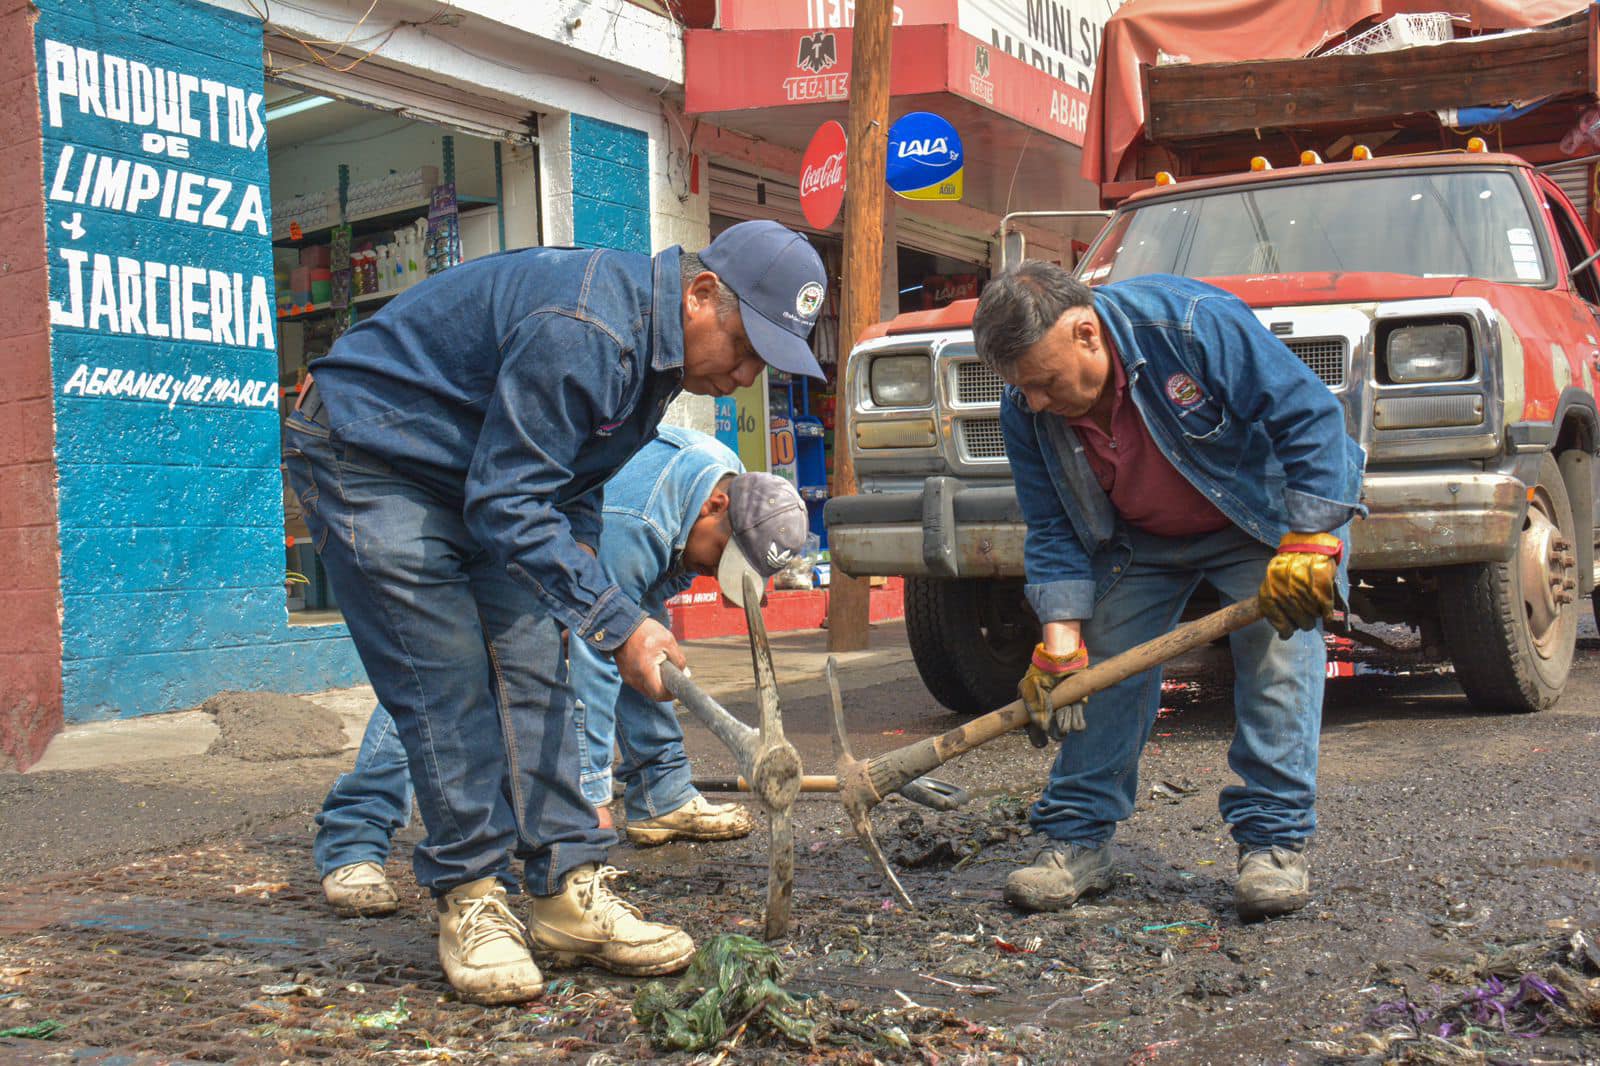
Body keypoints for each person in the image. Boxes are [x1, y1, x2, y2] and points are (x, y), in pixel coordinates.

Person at [284, 220, 826, 1004]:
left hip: (473, 472)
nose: (744, 375)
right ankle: (471, 897)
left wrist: (594, 616)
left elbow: (568, 490)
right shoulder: (588, 330)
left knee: (539, 663)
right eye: (745, 347)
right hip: (373, 454)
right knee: (448, 678)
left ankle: (564, 889)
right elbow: (510, 503)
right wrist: (619, 619)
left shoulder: (654, 359)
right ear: (702, 293)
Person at [971, 264, 1364, 922]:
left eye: (1043, 381)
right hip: (1140, 540)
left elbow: (1312, 419)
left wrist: (1310, 541)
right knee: (1100, 677)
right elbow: (1052, 524)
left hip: (1256, 520)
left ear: (1086, 333)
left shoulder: (1189, 325)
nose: (1034, 402)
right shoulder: (1026, 408)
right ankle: (1075, 842)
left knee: (1275, 660)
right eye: (1022, 388)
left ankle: (1273, 846)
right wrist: (1061, 644)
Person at [315, 428, 811, 917]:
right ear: (715, 506)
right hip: (505, 539)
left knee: (644, 644)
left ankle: (662, 792)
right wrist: (590, 795)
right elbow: (595, 661)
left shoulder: (733, 488)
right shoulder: (640, 523)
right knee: (440, 680)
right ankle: (354, 840)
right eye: (720, 558)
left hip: (567, 538)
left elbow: (631, 629)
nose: (713, 574)